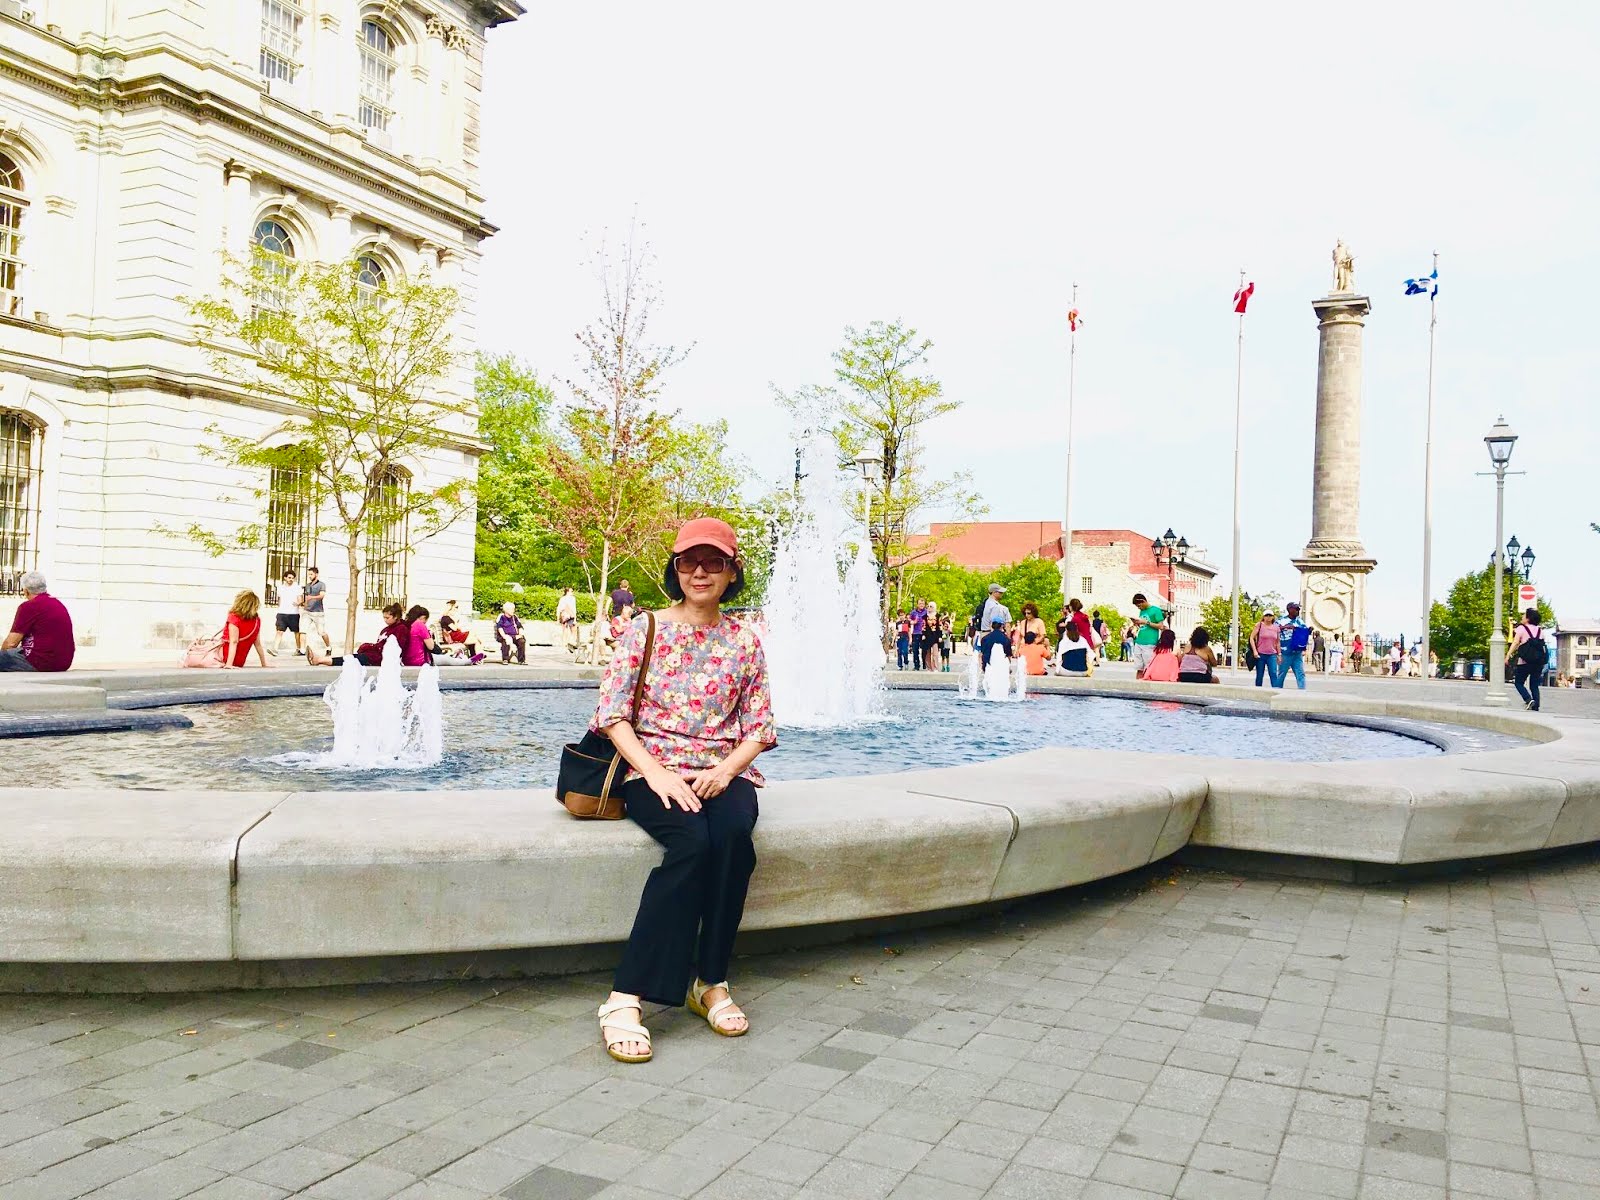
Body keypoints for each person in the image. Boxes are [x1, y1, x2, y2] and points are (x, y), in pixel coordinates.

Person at [593, 517, 776, 1065]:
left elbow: (760, 727)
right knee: (691, 843)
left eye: (713, 562)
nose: (700, 572)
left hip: (727, 770)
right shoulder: (645, 628)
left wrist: (726, 770)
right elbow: (612, 716)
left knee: (733, 841)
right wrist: (655, 772)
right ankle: (626, 998)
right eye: (689, 562)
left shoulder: (745, 639)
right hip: (653, 769)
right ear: (676, 570)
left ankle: (710, 982)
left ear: (731, 572)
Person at [0, 571, 75, 672]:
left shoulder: (29, 606)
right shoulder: (57, 603)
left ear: (25, 591)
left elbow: (11, 643)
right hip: (63, 663)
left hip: (40, 661)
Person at [1508, 608, 1546, 712]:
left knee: (1518, 682)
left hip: (1524, 661)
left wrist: (1508, 655)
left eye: (1524, 615)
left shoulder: (1521, 629)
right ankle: (1536, 705)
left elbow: (1515, 643)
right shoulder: (1540, 631)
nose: (1522, 617)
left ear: (1528, 618)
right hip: (1538, 662)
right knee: (1534, 684)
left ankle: (1528, 699)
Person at [221, 590, 269, 669]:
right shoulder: (257, 620)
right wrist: (264, 664)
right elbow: (258, 644)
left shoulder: (234, 617)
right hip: (240, 661)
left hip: (225, 658)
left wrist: (229, 664)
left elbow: (234, 641)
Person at [1275, 602, 1311, 690]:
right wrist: (1285, 627)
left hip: (1297, 653)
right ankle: (1277, 690)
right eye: (1296, 609)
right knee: (1281, 674)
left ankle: (1302, 692)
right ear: (1290, 610)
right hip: (1285, 652)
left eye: (1299, 609)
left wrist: (1308, 631)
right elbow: (1274, 632)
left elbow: (1304, 633)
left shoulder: (1300, 621)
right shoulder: (1281, 621)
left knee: (1300, 674)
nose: (1298, 611)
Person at [1129, 592, 1166, 677]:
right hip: (1139, 640)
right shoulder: (1142, 611)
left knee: (1148, 666)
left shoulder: (1156, 610)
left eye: (1139, 606)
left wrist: (1146, 622)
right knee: (1139, 667)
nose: (1139, 608)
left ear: (1143, 601)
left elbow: (1160, 626)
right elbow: (1143, 625)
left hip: (1150, 641)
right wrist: (1137, 623)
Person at [270, 569, 303, 656]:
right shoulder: (280, 588)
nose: (291, 579)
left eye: (292, 578)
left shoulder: (297, 588)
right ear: (285, 578)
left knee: (296, 632)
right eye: (289, 577)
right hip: (282, 613)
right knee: (279, 631)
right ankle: (275, 649)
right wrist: (279, 608)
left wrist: (298, 603)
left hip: (294, 614)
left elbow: (300, 599)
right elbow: (279, 600)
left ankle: (298, 649)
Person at [301, 566, 330, 655]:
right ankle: (302, 650)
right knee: (302, 630)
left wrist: (311, 597)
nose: (309, 576)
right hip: (307, 612)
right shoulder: (308, 585)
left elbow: (322, 595)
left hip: (318, 612)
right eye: (308, 574)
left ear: (316, 574)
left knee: (321, 632)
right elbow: (305, 597)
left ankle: (328, 647)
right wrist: (303, 604)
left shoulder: (321, 584)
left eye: (311, 574)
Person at [1250, 609, 1281, 687]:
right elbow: (1251, 638)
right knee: (1260, 675)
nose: (1268, 617)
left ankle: (1275, 690)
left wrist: (1279, 654)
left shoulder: (1276, 628)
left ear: (1273, 617)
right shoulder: (1259, 625)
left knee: (1273, 674)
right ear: (1263, 617)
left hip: (1272, 654)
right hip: (1261, 654)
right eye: (1266, 615)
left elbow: (1277, 642)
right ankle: (1258, 691)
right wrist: (1255, 651)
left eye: (1270, 615)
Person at [556, 587, 580, 654]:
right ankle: (565, 645)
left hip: (569, 615)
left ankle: (570, 644)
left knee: (572, 630)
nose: (572, 592)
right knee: (566, 632)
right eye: (571, 591)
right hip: (566, 616)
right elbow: (559, 608)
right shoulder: (564, 599)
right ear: (567, 592)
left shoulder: (572, 599)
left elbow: (574, 608)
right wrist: (558, 618)